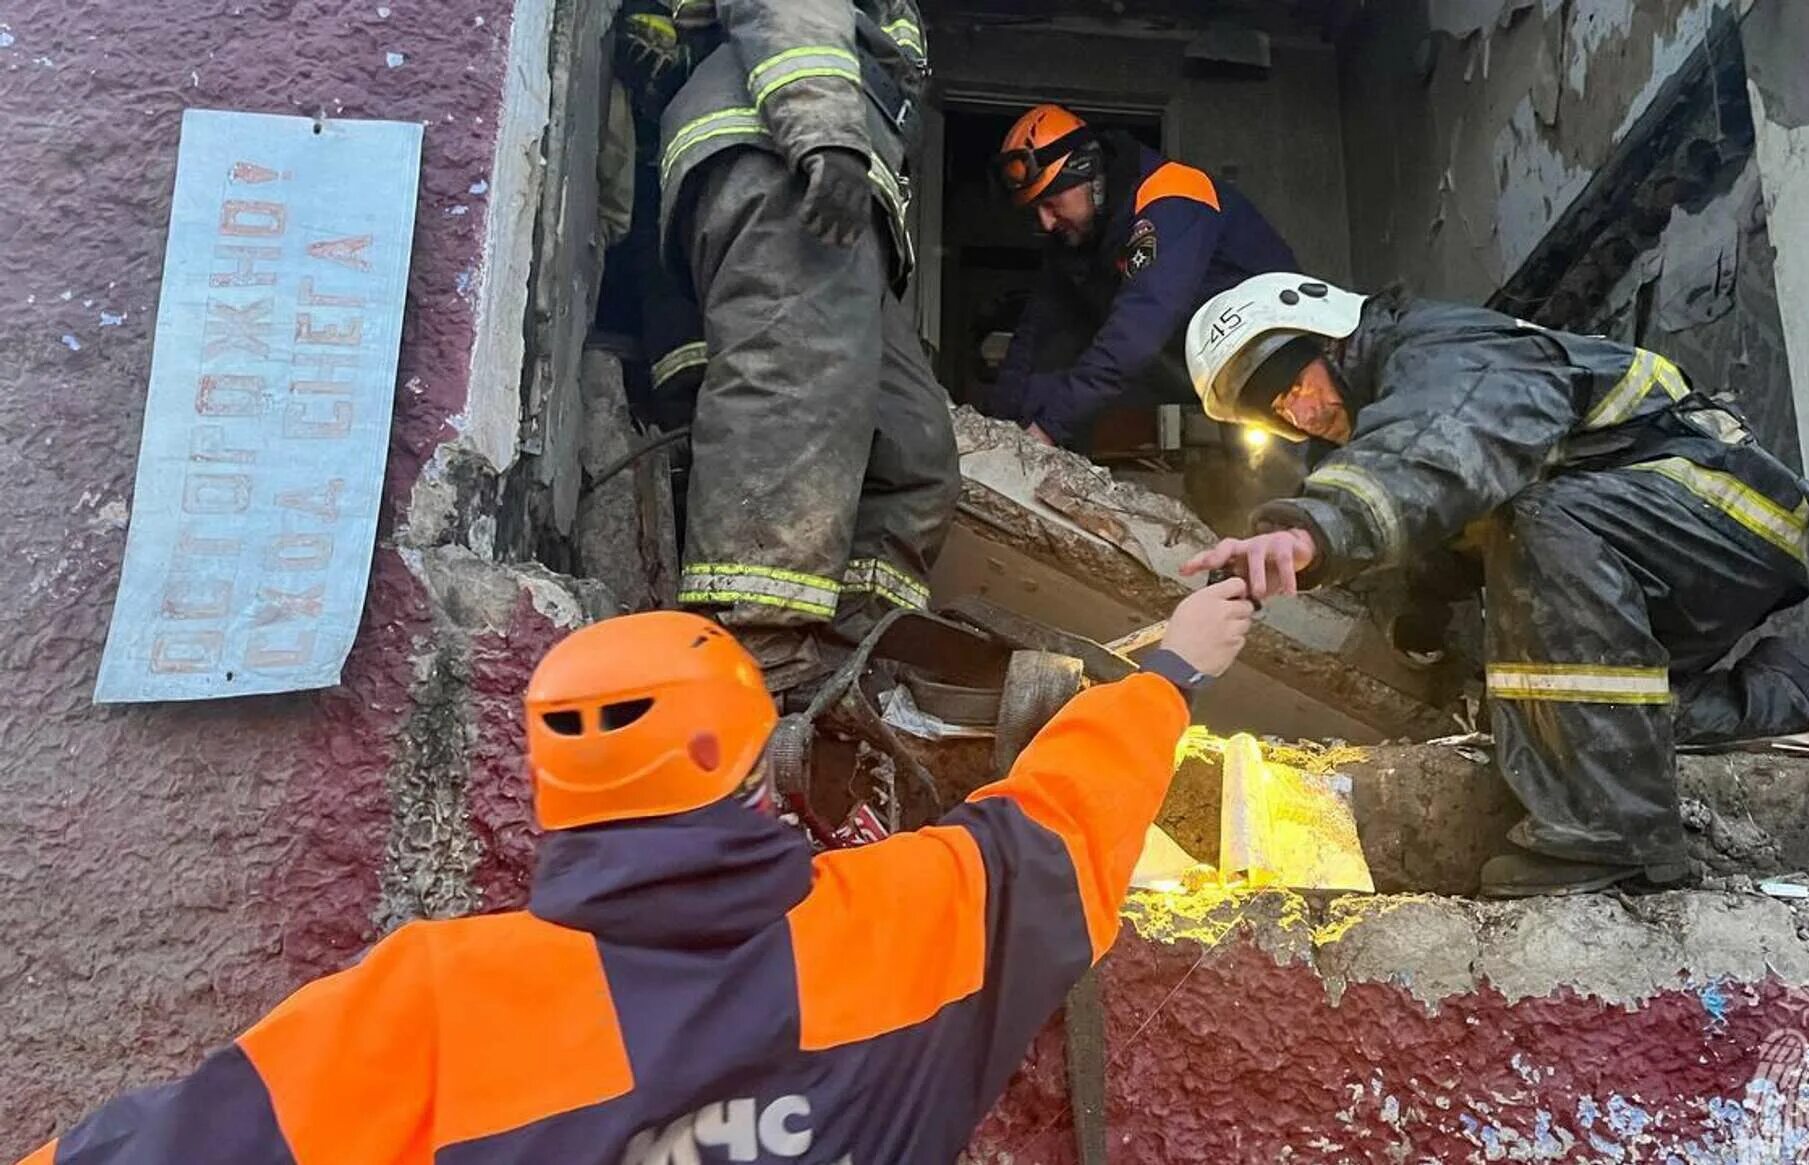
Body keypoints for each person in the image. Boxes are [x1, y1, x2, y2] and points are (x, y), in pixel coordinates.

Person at [18, 585, 1256, 1165]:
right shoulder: (905, 925)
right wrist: (1172, 672)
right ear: (748, 762)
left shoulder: (436, 1003)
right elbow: (1059, 824)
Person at [1179, 272, 1809, 898]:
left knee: (1538, 520)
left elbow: (1447, 445)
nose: (1303, 412)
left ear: (1329, 333)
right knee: (1551, 720)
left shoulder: (1441, 350)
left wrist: (1319, 524)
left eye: (1296, 382)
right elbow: (1444, 515)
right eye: (1279, 410)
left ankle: (1615, 829)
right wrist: (1420, 617)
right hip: (1645, 540)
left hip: (1720, 505)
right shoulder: (1399, 403)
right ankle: (1789, 697)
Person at [654, 0, 952, 701]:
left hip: (845, 188)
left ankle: (850, 655)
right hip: (785, 152)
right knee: (794, 396)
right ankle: (756, 655)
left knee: (913, 449)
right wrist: (824, 130)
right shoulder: (816, 128)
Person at [986, 103, 1297, 452]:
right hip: (1192, 358)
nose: (1046, 222)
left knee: (1269, 477)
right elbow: (1036, 331)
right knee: (1046, 378)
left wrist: (1048, 429)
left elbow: (1134, 334)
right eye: (1036, 210)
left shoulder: (1172, 197)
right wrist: (999, 431)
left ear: (1088, 174)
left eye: (1052, 203)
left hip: (1272, 359)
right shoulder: (1078, 236)